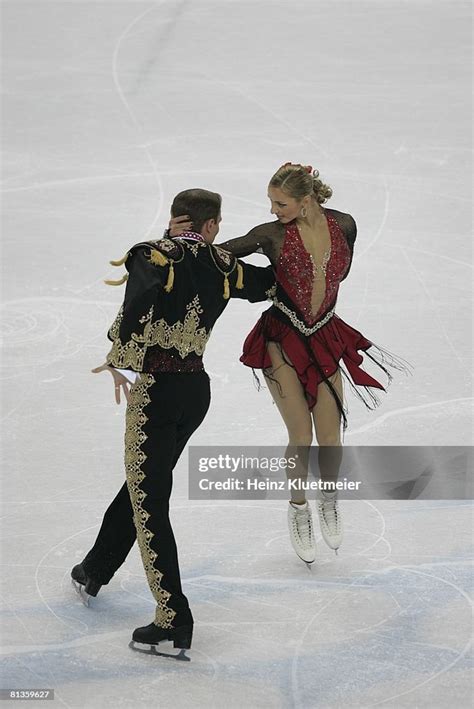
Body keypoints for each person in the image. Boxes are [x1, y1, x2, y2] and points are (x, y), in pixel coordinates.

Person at [169, 163, 410, 565]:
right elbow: (215, 256)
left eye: (280, 203)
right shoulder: (273, 235)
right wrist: (177, 239)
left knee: (331, 438)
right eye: (271, 202)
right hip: (282, 337)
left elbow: (338, 275)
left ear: (306, 199)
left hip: (326, 335)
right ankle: (299, 508)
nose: (272, 210)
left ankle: (328, 498)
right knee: (301, 435)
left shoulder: (345, 225)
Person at [71, 188, 275, 653]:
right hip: (195, 393)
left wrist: (122, 363)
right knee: (145, 484)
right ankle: (95, 568)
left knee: (149, 501)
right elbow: (269, 285)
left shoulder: (154, 254)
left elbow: (139, 297)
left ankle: (173, 617)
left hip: (157, 395)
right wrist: (271, 240)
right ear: (213, 224)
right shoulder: (225, 265)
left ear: (174, 219)